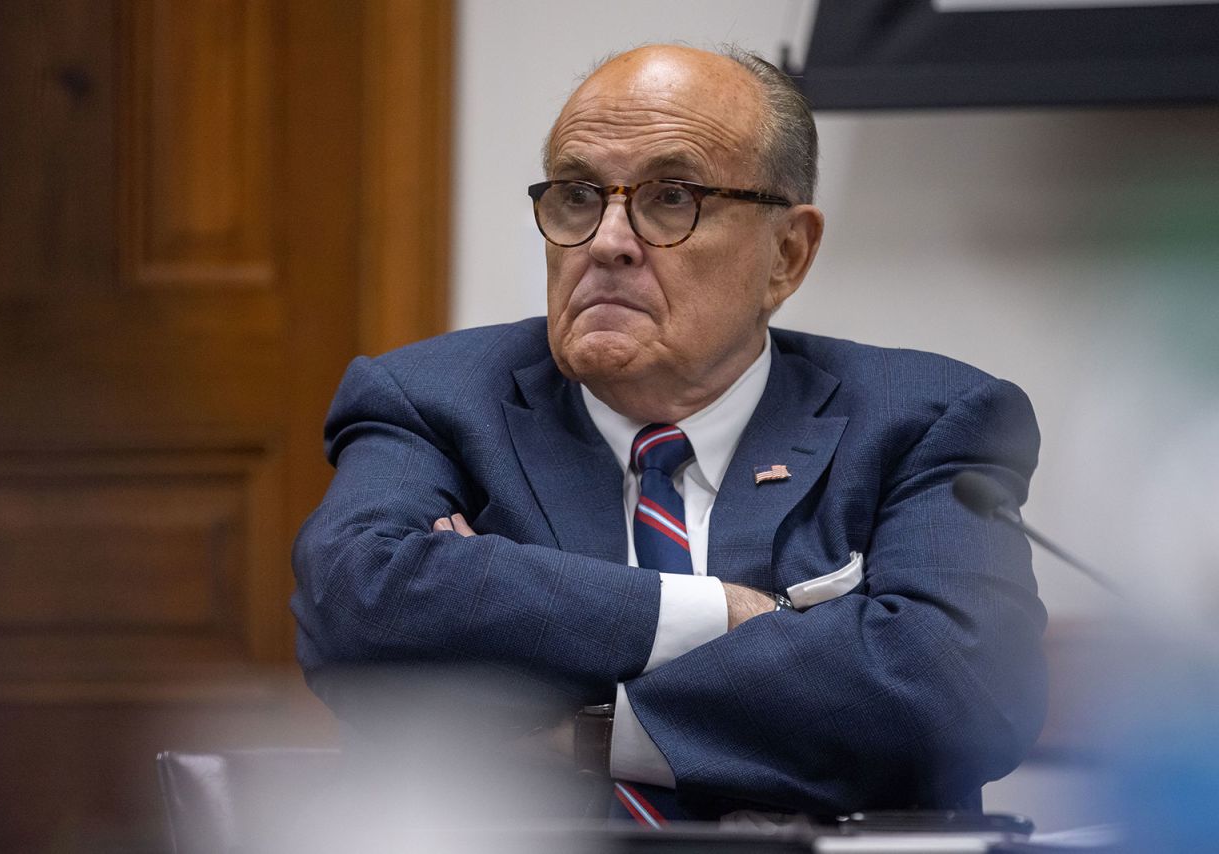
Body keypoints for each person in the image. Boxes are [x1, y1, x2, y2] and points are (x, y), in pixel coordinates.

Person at [291, 44, 1047, 822]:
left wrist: (586, 729)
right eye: (579, 195)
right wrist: (724, 616)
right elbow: (356, 600)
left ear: (788, 254)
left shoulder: (923, 418)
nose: (608, 241)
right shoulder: (435, 401)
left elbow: (961, 692)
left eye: (671, 197)